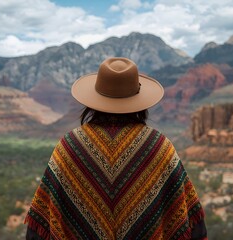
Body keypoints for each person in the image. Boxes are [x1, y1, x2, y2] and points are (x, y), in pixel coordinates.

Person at [25, 57, 207, 239]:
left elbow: (38, 228)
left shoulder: (68, 146)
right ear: (139, 100)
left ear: (94, 100)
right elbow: (194, 226)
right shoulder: (159, 146)